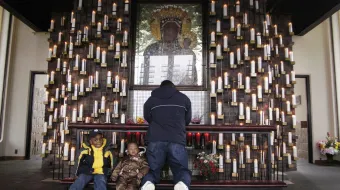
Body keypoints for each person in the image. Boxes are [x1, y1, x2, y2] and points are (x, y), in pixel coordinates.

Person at [141, 80, 192, 190]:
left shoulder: (151, 99)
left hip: (155, 139)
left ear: (160, 87)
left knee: (153, 169)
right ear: (173, 87)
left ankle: (148, 183)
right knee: (181, 169)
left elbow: (147, 117)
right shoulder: (184, 98)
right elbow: (187, 120)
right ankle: (181, 184)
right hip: (176, 139)